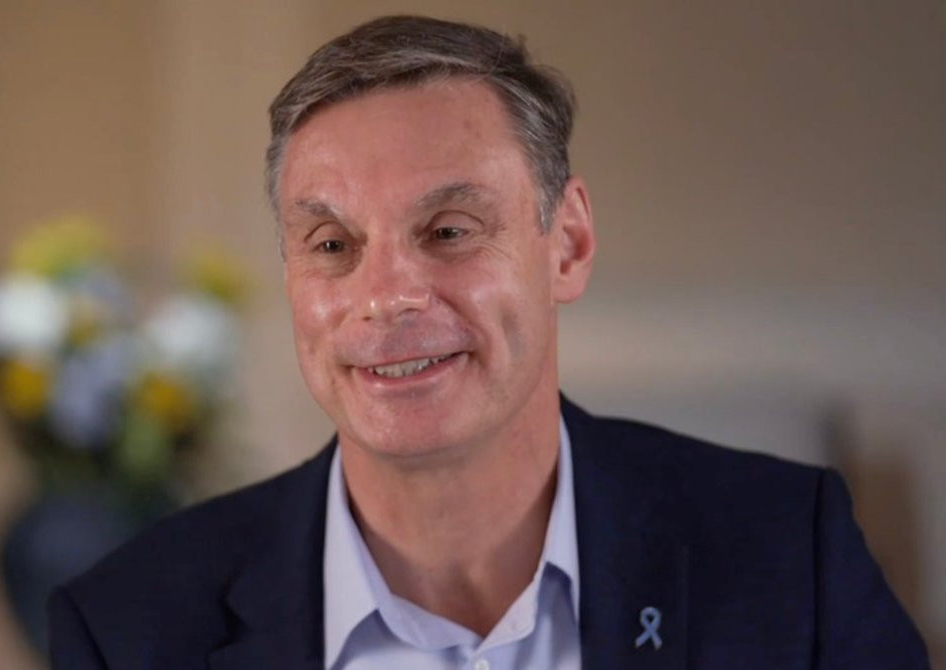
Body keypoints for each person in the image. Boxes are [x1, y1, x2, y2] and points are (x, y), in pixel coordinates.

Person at [48, 15, 928, 669]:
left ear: (567, 244)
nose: (385, 296)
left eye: (448, 230)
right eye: (332, 245)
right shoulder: (129, 629)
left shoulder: (788, 557)